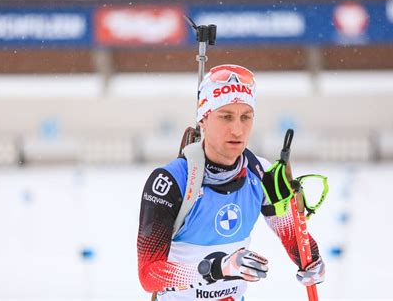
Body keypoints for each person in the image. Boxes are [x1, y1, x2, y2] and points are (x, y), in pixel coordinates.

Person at [137, 64, 325, 301]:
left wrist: (312, 260)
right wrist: (217, 269)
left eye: (246, 117)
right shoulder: (170, 181)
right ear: (203, 119)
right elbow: (149, 275)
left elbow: (291, 234)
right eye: (226, 116)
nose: (237, 129)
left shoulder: (262, 172)